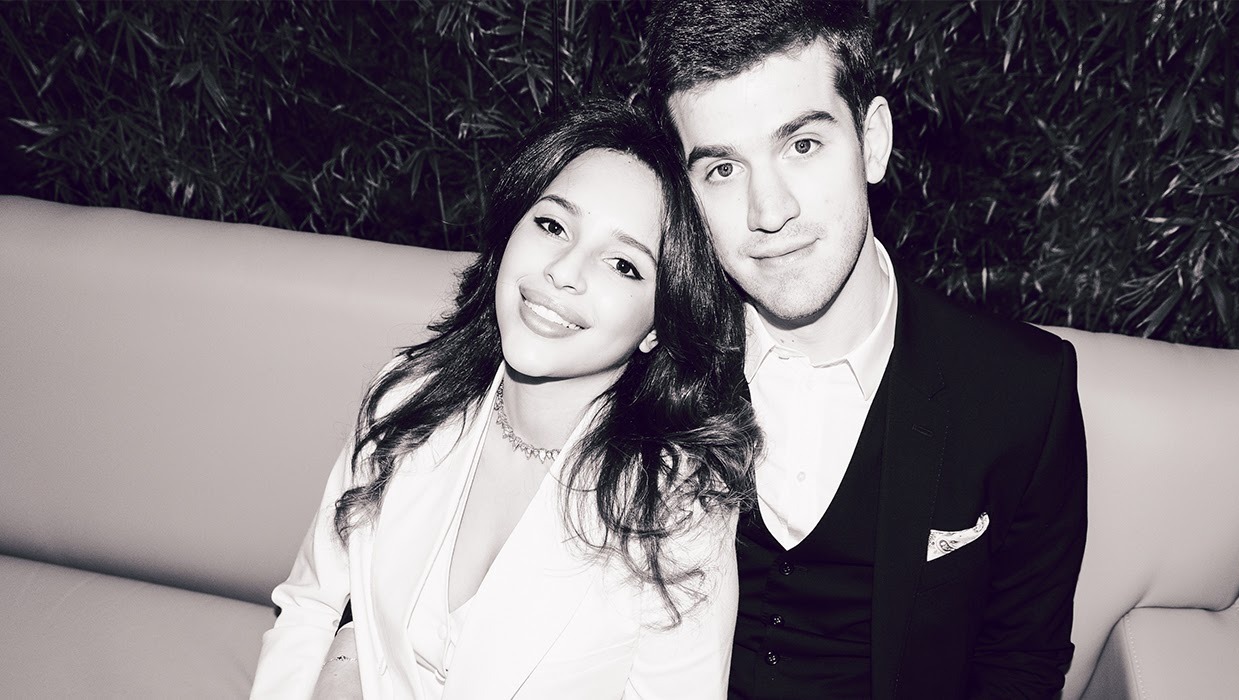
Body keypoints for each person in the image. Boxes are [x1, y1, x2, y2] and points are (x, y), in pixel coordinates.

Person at [644, 2, 1088, 698]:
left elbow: (1020, 661)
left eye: (802, 145)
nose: (769, 212)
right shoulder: (649, 356)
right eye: (723, 169)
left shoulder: (1024, 392)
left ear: (871, 142)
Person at [250, 98, 761, 699]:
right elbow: (310, 605)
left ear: (658, 325)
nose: (564, 271)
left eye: (624, 265)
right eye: (553, 226)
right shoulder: (406, 398)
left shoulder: (677, 509)